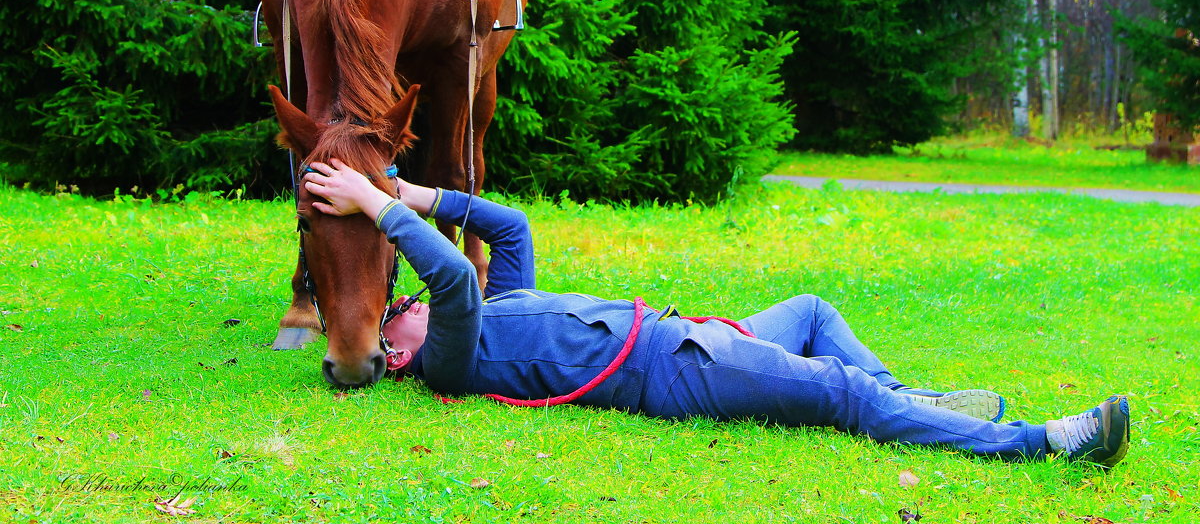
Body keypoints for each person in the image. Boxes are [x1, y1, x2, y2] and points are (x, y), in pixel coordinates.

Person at [302, 159, 1130, 467]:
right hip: (674, 371)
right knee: (840, 390)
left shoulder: (502, 302)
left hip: (688, 335)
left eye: (396, 301)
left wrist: (415, 193)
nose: (401, 303)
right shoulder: (451, 355)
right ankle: (1040, 444)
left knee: (809, 311)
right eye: (395, 317)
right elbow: (449, 278)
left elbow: (509, 230)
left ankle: (910, 399)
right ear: (403, 356)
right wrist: (377, 209)